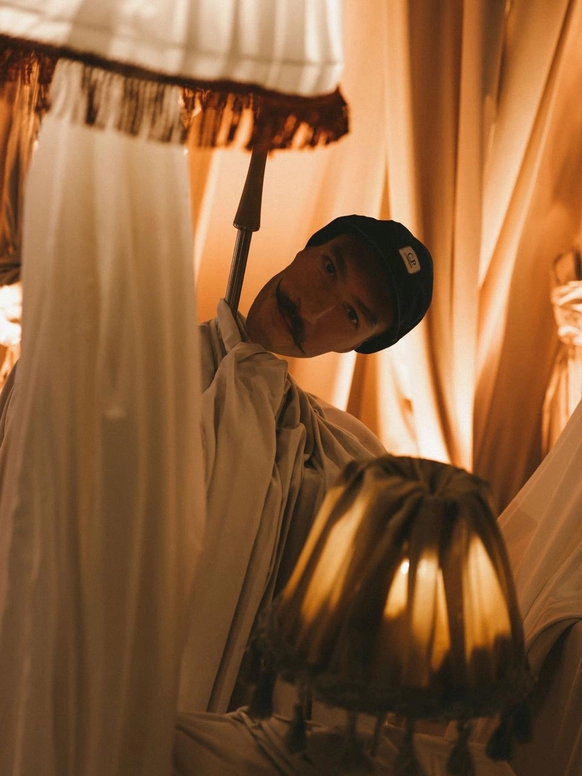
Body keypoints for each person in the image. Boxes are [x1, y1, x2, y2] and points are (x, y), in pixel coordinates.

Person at [181, 215, 434, 715]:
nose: (313, 306)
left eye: (351, 315)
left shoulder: (341, 458)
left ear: (353, 346)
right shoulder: (144, 355)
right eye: (329, 268)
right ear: (306, 250)